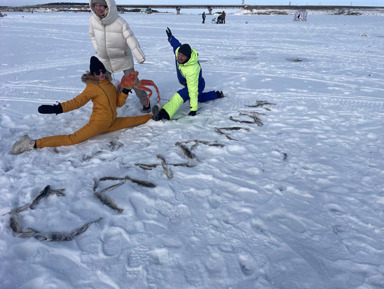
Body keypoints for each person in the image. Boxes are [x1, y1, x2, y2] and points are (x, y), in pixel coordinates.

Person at [11, 57, 152, 155]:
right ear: (93, 73)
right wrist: (57, 108)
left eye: (103, 71)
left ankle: (156, 115)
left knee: (135, 120)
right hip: (98, 124)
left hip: (112, 123)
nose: (101, 74)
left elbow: (118, 104)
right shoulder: (92, 87)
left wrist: (126, 90)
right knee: (72, 139)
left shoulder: (110, 84)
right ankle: (32, 143)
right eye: (97, 72)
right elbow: (77, 102)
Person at [89, 0, 150, 113]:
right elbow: (92, 35)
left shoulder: (120, 22)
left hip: (123, 58)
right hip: (105, 59)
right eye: (96, 5)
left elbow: (130, 37)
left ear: (107, 6)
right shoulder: (93, 20)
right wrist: (97, 49)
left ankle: (145, 102)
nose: (98, 8)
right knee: (103, 83)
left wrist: (139, 55)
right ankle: (106, 104)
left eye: (101, 5)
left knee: (134, 82)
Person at [151, 28, 224, 121]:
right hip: (188, 82)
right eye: (179, 54)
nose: (180, 58)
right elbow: (176, 44)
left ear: (188, 57)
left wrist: (193, 109)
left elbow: (192, 90)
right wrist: (170, 37)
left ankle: (163, 114)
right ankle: (216, 94)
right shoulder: (178, 51)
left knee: (180, 96)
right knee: (198, 98)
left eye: (183, 56)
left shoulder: (192, 69)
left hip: (197, 83)